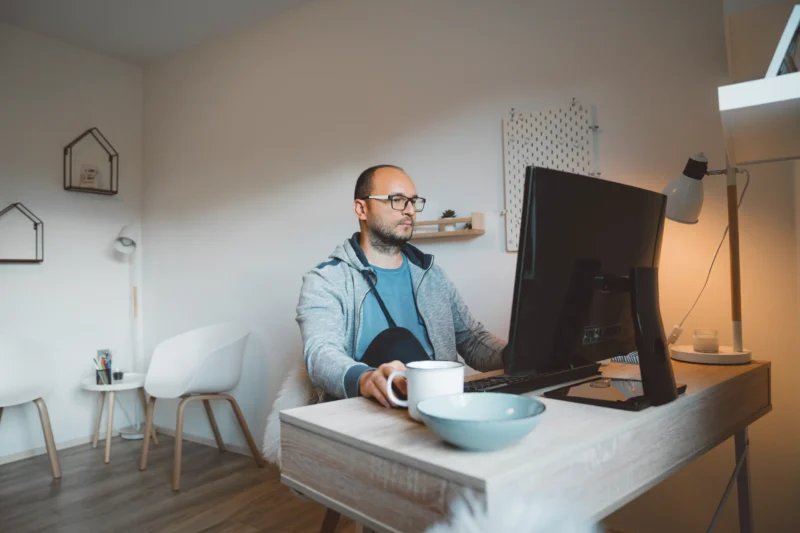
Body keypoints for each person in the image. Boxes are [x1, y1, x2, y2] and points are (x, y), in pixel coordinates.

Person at [296, 164, 506, 408]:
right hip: (371, 410)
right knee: (398, 341)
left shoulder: (432, 275)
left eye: (413, 201)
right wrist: (364, 378)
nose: (409, 210)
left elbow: (472, 341)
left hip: (443, 407)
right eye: (397, 200)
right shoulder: (327, 280)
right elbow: (320, 354)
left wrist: (518, 353)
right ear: (361, 208)